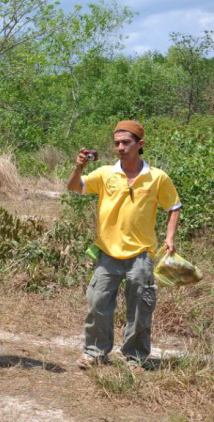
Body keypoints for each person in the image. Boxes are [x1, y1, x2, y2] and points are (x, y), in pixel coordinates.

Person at [67, 120, 181, 369]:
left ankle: (135, 357)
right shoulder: (106, 173)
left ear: (140, 144)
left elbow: (173, 207)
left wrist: (169, 238)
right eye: (117, 143)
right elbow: (74, 186)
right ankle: (95, 353)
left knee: (141, 308)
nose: (120, 147)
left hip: (141, 255)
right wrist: (78, 168)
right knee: (97, 304)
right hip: (107, 253)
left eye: (126, 142)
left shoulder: (157, 177)